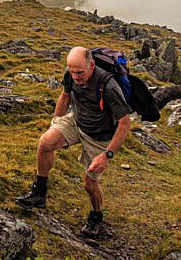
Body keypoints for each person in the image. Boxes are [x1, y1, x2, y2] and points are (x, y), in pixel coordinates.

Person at [15, 46, 132, 239]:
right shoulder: (70, 74)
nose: (76, 77)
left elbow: (124, 123)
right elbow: (65, 95)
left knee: (90, 182)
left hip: (100, 135)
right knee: (45, 143)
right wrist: (56, 122)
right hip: (77, 121)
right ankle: (39, 193)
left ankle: (96, 216)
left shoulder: (108, 86)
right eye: (72, 72)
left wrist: (107, 155)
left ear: (91, 66)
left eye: (80, 73)